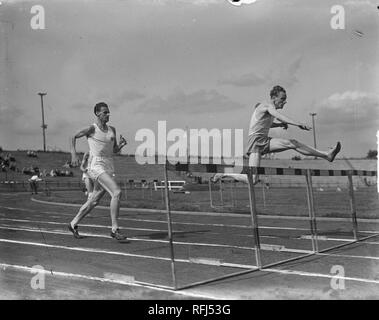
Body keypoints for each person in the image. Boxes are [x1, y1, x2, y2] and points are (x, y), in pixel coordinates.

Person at [246, 85, 341, 184]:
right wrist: (298, 123)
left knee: (292, 143)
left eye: (285, 99)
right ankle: (228, 174)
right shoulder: (267, 106)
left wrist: (279, 125)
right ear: (274, 98)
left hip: (264, 140)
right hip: (255, 143)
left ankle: (327, 155)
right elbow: (280, 116)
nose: (285, 102)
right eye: (282, 99)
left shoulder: (269, 109)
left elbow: (265, 125)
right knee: (253, 179)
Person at [69, 102, 128, 241]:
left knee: (94, 200)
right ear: (97, 113)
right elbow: (72, 136)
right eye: (105, 112)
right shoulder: (92, 129)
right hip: (96, 165)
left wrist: (120, 145)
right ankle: (114, 229)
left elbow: (112, 150)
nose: (108, 115)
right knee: (117, 192)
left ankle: (73, 224)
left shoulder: (112, 129)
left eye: (108, 112)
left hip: (109, 165)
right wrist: (73, 154)